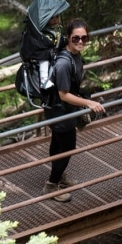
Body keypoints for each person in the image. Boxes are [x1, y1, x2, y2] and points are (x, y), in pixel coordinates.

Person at [42, 18, 106, 202]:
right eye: (75, 38)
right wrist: (88, 103)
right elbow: (63, 94)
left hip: (60, 108)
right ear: (68, 38)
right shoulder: (63, 63)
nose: (80, 42)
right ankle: (51, 186)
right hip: (60, 110)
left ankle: (59, 174)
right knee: (68, 147)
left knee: (58, 143)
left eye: (84, 38)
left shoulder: (75, 56)